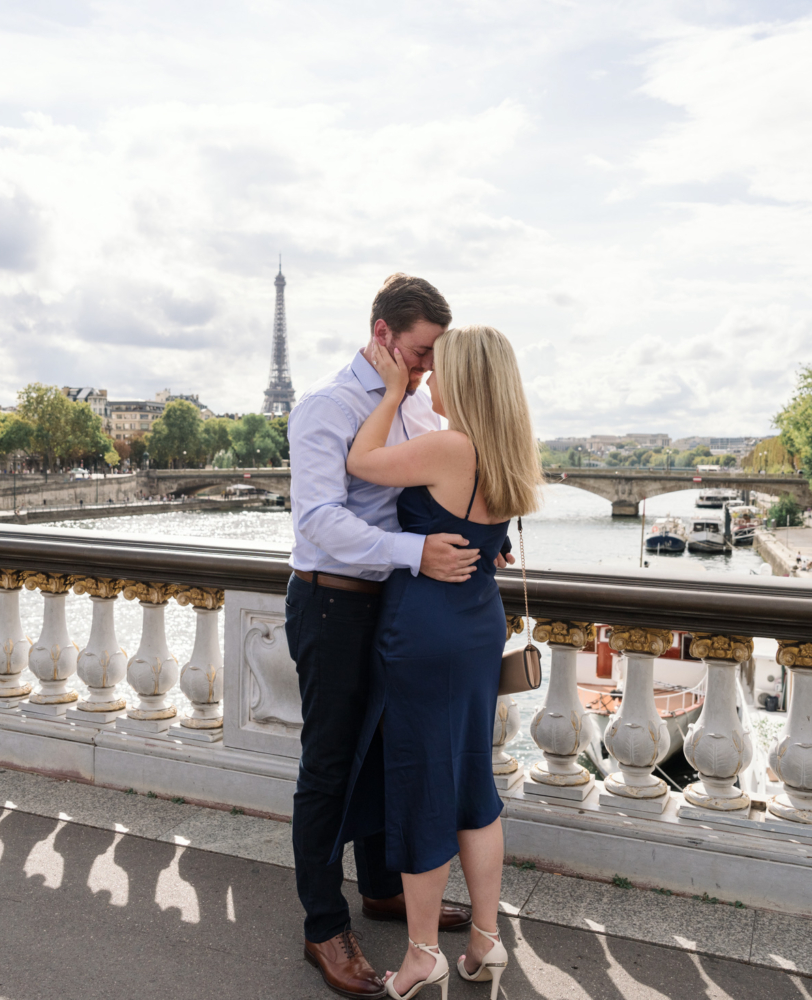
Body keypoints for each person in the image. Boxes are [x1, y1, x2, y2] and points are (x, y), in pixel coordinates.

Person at [286, 274, 494, 999]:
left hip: (394, 609)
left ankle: (380, 887)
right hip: (332, 607)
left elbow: (432, 501)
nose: (429, 368)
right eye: (419, 352)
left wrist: (470, 542)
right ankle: (322, 924)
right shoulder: (323, 408)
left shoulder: (410, 412)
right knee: (331, 764)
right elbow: (318, 522)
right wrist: (419, 554)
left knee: (386, 756)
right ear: (382, 335)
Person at [338, 324, 543, 1000]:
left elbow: (361, 461)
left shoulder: (449, 447)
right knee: (472, 786)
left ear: (468, 379)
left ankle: (422, 953)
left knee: (424, 784)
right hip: (478, 621)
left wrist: (393, 390)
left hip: (425, 626)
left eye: (441, 367)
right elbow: (492, 534)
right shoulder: (507, 450)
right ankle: (484, 941)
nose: (433, 378)